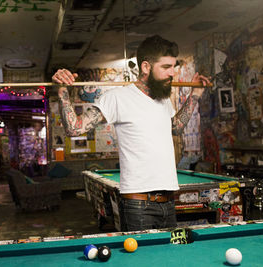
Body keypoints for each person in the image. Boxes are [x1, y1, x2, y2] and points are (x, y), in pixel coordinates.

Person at [52, 35, 210, 231]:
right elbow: (74, 128)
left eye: (173, 67)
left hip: (168, 201)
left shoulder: (162, 98)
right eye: (166, 67)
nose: (173, 73)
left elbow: (175, 127)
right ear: (146, 67)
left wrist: (195, 96)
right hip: (138, 205)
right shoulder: (117, 97)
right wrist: (62, 91)